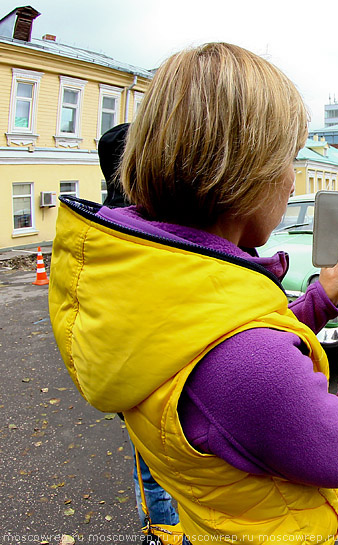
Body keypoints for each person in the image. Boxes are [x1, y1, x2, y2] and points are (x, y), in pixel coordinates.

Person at [49, 43, 338, 543]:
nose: (289, 178)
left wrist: (321, 298)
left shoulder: (145, 281)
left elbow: (225, 331)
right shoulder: (246, 363)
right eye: (286, 159)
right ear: (244, 173)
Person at [98, 122, 180, 529]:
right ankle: (162, 533)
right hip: (156, 373)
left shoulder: (104, 225)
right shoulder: (144, 229)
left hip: (129, 371)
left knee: (150, 463)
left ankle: (159, 530)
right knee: (158, 470)